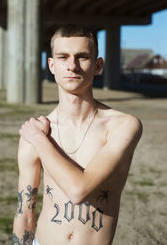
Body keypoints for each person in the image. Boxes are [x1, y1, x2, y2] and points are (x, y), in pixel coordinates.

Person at [12, 24, 142, 245]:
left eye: (82, 57)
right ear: (51, 65)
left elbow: (79, 190)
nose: (72, 66)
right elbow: (25, 213)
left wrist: (38, 140)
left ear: (98, 65)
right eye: (63, 57)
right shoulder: (38, 130)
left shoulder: (123, 125)